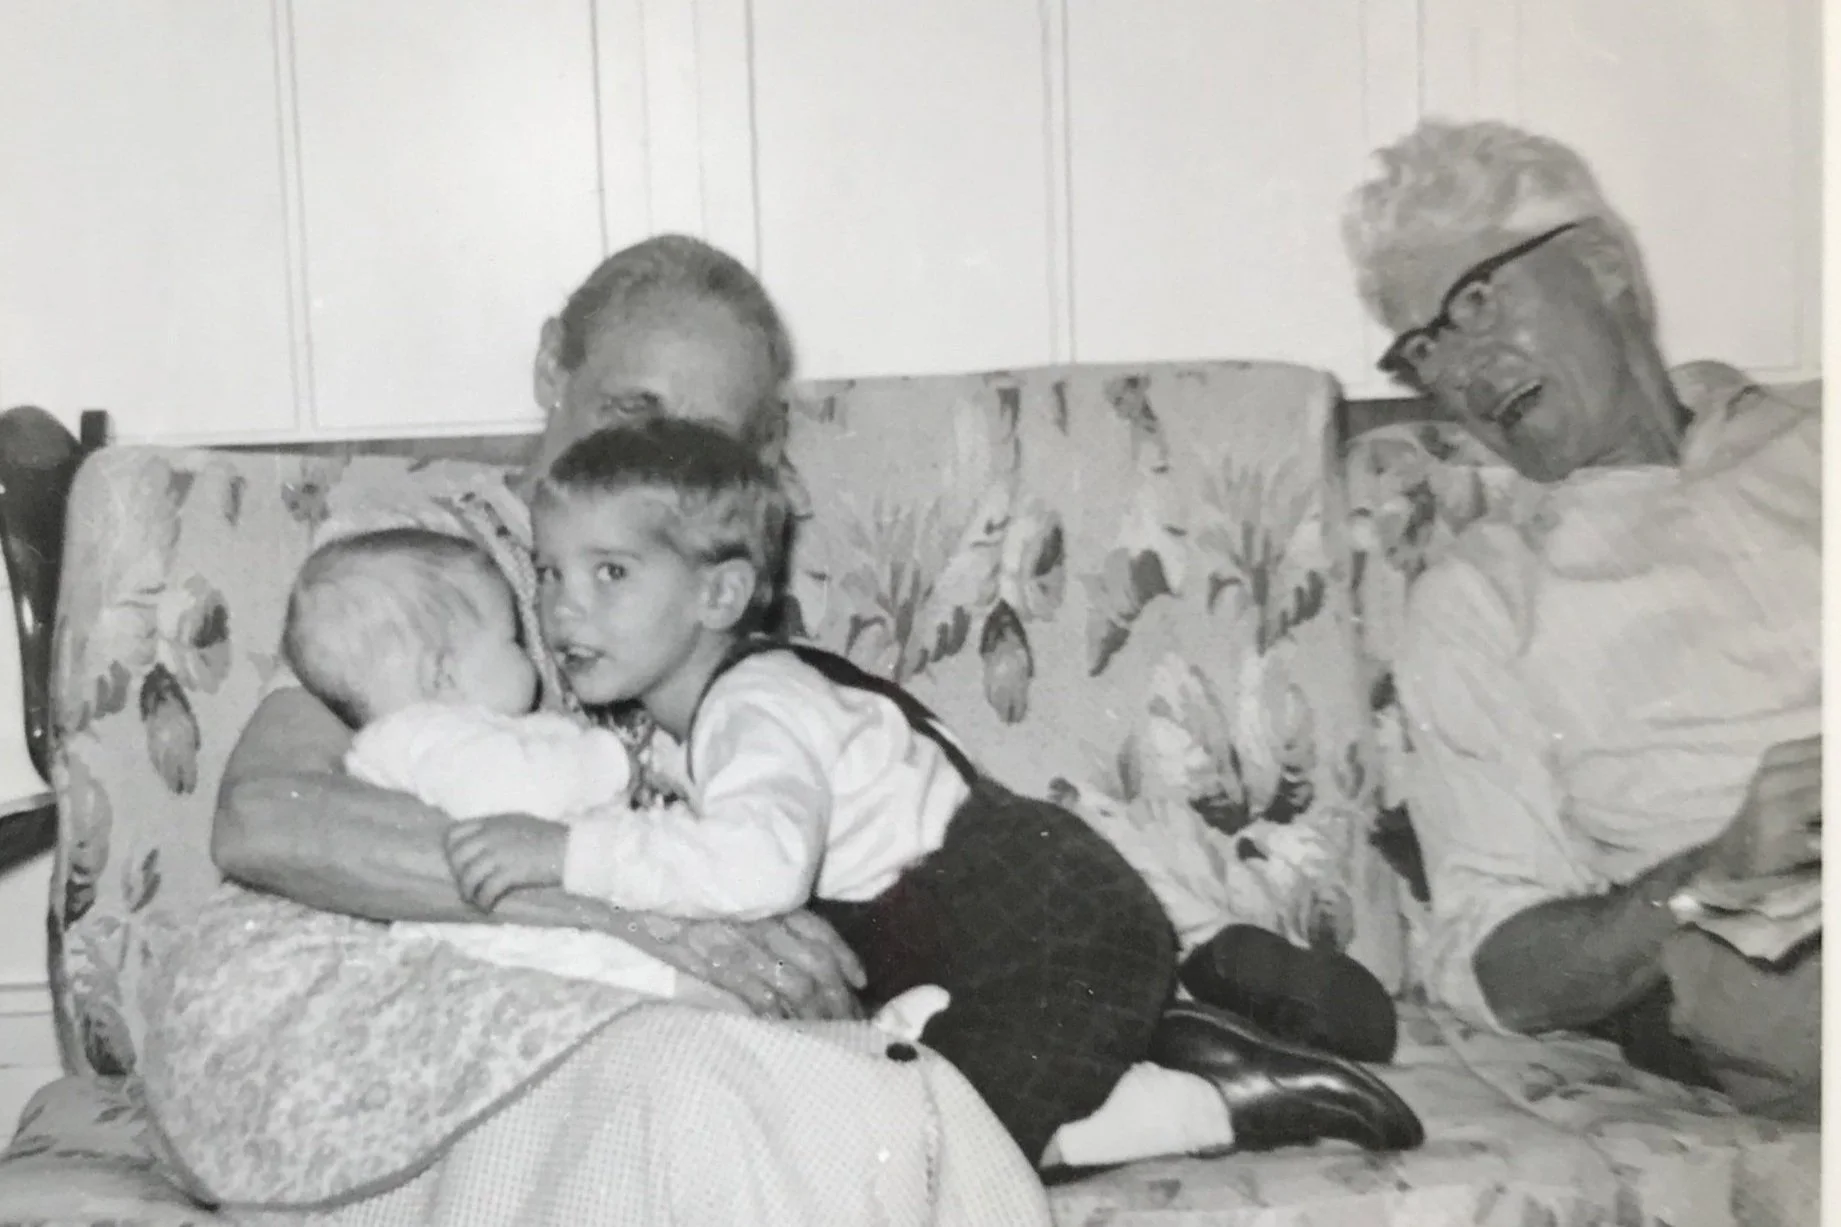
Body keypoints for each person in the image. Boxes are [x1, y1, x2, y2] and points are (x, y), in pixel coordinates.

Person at [210, 233, 1418, 1210]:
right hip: (566, 979)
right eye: (629, 407)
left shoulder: (728, 586)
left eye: (707, 443)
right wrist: (598, 897)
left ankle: (1184, 979)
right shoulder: (419, 570)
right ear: (548, 372)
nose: (657, 465)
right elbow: (273, 817)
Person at [1343, 120, 1820, 1120]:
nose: (1462, 373)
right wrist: (1710, 871)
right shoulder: (1483, 598)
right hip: (1779, 948)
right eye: (1424, 352)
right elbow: (1494, 962)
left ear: (1601, 264)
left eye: (1474, 305)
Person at [278, 525, 686, 999]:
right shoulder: (426, 739)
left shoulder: (457, 732)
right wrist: (611, 761)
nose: (532, 659)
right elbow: (520, 792)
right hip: (517, 945)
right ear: (444, 673)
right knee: (678, 983)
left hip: (541, 924)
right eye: (513, 641)